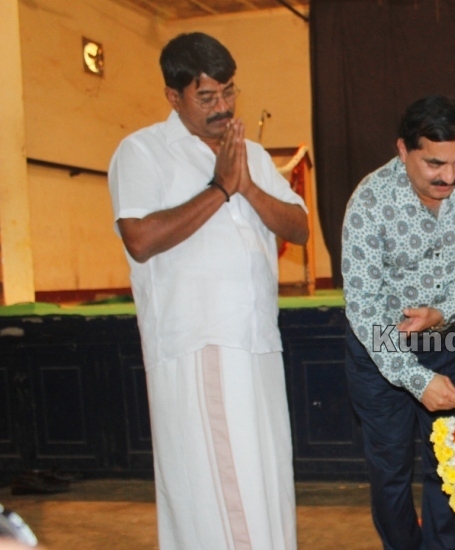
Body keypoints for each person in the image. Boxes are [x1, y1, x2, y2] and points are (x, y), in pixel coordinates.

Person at [108, 32, 307, 550]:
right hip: (200, 343)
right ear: (174, 98)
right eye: (207, 97)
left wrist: (246, 185)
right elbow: (140, 239)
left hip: (258, 339)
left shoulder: (254, 156)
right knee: (221, 492)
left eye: (229, 92)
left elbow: (300, 227)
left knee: (266, 484)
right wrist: (220, 189)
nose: (223, 107)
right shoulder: (142, 151)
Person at [341, 95, 455, 550]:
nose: (450, 176)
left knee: (450, 465)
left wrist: (443, 311)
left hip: (449, 342)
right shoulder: (370, 201)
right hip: (380, 354)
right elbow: (363, 306)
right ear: (403, 149)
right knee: (391, 472)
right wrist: (415, 378)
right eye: (435, 163)